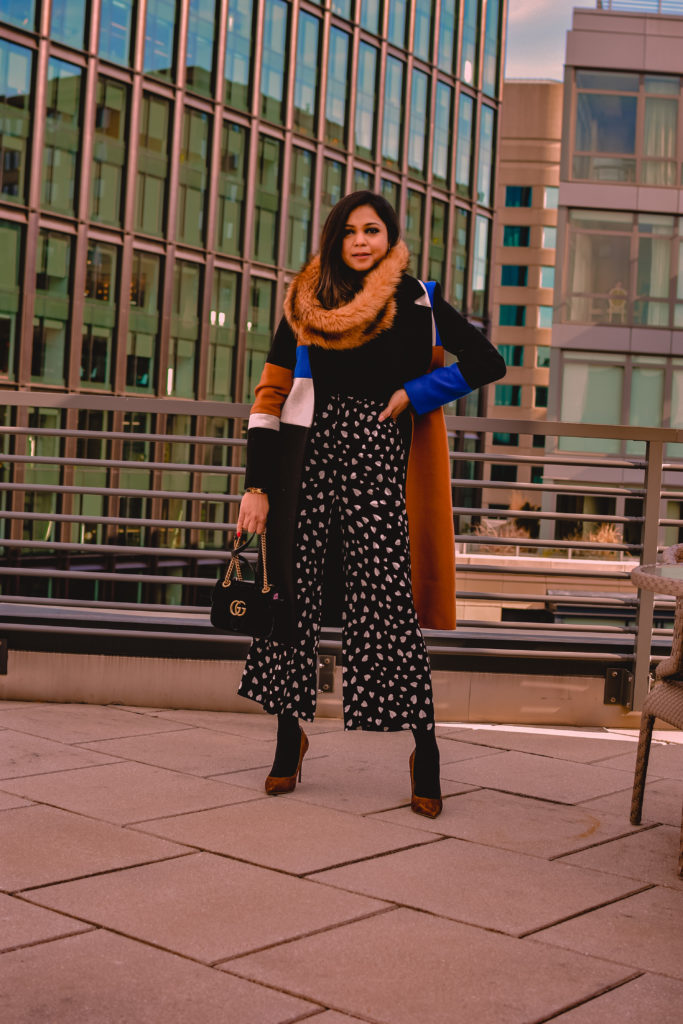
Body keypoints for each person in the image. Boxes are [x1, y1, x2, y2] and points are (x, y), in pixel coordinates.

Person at [237, 191, 506, 817]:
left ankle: (426, 749)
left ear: (390, 238)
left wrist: (416, 392)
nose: (362, 241)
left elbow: (487, 362)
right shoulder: (304, 302)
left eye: (373, 230)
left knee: (388, 604)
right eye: (351, 231)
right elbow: (271, 394)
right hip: (304, 464)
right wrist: (256, 486)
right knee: (291, 599)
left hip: (379, 467)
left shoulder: (416, 300)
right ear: (335, 239)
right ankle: (287, 737)